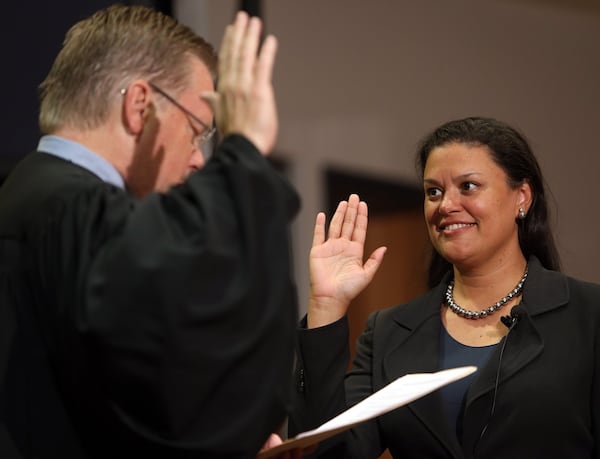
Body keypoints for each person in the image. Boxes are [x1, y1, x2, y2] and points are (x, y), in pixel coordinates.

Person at [0, 5, 301, 458]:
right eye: (198, 129)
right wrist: (246, 155)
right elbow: (184, 410)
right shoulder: (70, 209)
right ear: (139, 106)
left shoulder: (33, 196)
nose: (200, 159)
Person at [289, 117, 600, 458]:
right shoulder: (387, 333)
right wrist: (326, 306)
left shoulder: (588, 315)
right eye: (433, 191)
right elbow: (328, 453)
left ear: (522, 198)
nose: (446, 205)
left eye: (468, 186)